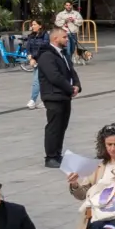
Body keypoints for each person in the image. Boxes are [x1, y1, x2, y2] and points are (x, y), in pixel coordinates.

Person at [38, 26, 81, 168]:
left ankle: (57, 154)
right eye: (64, 37)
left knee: (62, 126)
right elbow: (54, 76)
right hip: (53, 96)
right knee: (54, 127)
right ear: (55, 39)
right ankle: (50, 157)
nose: (67, 39)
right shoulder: (46, 55)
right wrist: (70, 88)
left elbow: (71, 72)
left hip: (64, 96)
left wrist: (77, 85)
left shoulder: (63, 54)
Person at [23, 20, 51, 110]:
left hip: (43, 60)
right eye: (32, 25)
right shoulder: (31, 36)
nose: (33, 26)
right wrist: (30, 58)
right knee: (42, 81)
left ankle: (33, 100)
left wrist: (34, 57)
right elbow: (28, 48)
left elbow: (44, 47)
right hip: (35, 60)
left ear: (40, 26)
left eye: (35, 24)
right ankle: (45, 100)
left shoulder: (45, 35)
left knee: (37, 81)